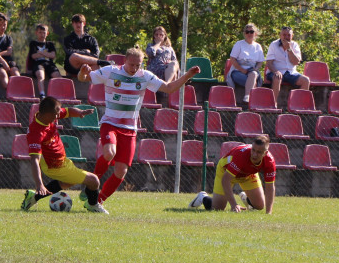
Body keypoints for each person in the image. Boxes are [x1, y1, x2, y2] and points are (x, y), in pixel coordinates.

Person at [79, 48, 200, 213]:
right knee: (109, 152)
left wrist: (188, 75)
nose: (134, 68)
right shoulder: (110, 71)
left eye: (138, 65)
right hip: (110, 123)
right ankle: (90, 185)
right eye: (131, 64)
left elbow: (169, 88)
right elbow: (84, 78)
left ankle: (96, 202)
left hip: (130, 129)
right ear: (125, 60)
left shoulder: (145, 76)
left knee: (121, 171)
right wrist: (83, 72)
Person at [20, 96, 102, 213]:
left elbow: (67, 111)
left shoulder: (47, 115)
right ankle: (93, 205)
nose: (58, 116)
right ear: (48, 114)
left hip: (62, 161)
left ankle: (33, 198)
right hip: (55, 167)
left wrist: (79, 113)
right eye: (56, 115)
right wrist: (39, 184)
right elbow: (34, 160)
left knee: (67, 182)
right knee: (94, 181)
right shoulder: (36, 132)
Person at [190, 136, 278, 213]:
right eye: (253, 150)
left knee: (259, 206)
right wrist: (234, 205)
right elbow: (226, 180)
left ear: (265, 153)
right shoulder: (241, 155)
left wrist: (269, 212)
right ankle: (203, 197)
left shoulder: (270, 161)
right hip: (226, 172)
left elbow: (270, 186)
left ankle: (246, 200)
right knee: (218, 208)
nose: (254, 154)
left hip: (247, 174)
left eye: (259, 152)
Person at [265, 26, 310, 97]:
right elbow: (269, 63)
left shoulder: (294, 45)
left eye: (289, 35)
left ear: (292, 36)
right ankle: (274, 104)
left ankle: (299, 105)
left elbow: (296, 62)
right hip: (276, 71)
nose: (286, 37)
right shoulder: (273, 44)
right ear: (280, 35)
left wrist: (289, 49)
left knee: (306, 80)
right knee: (277, 77)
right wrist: (276, 71)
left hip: (291, 73)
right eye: (284, 35)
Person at [226, 23, 265, 103]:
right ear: (244, 33)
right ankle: (252, 102)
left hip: (252, 71)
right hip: (238, 71)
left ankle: (247, 97)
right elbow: (232, 59)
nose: (249, 34)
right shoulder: (239, 44)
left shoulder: (258, 46)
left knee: (254, 75)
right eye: (247, 32)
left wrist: (256, 68)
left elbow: (260, 62)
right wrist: (242, 69)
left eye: (251, 32)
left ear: (255, 33)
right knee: (252, 82)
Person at [26, 24, 60, 97]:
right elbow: (33, 56)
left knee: (57, 76)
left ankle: (57, 94)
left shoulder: (50, 44)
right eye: (40, 32)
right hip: (38, 64)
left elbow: (53, 55)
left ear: (47, 33)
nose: (42, 35)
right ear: (36, 33)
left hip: (49, 64)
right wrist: (47, 54)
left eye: (44, 33)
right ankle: (42, 94)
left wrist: (41, 53)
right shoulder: (33, 43)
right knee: (40, 75)